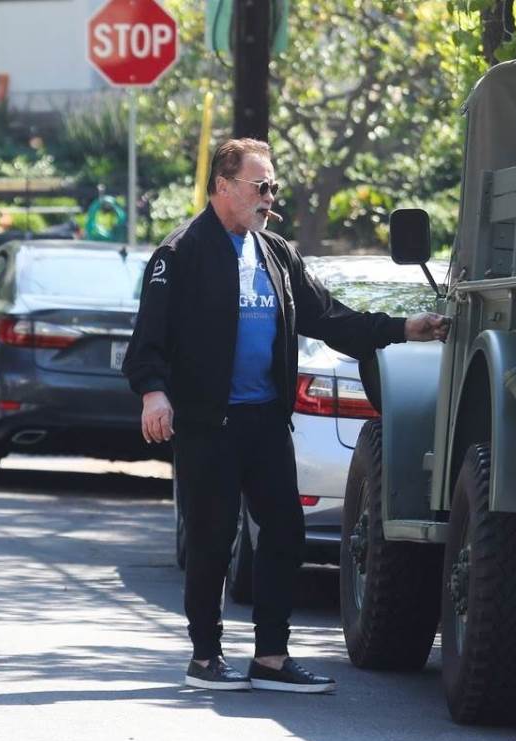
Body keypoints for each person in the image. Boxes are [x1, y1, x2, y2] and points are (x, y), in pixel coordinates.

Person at [123, 138, 450, 694]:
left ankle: (271, 658)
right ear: (223, 186)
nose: (270, 197)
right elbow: (147, 340)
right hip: (209, 425)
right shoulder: (178, 254)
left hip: (266, 422)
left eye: (273, 187)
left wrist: (401, 328)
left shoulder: (276, 253)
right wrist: (154, 393)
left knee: (285, 533)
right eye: (261, 186)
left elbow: (329, 318)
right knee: (211, 539)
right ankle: (205, 657)